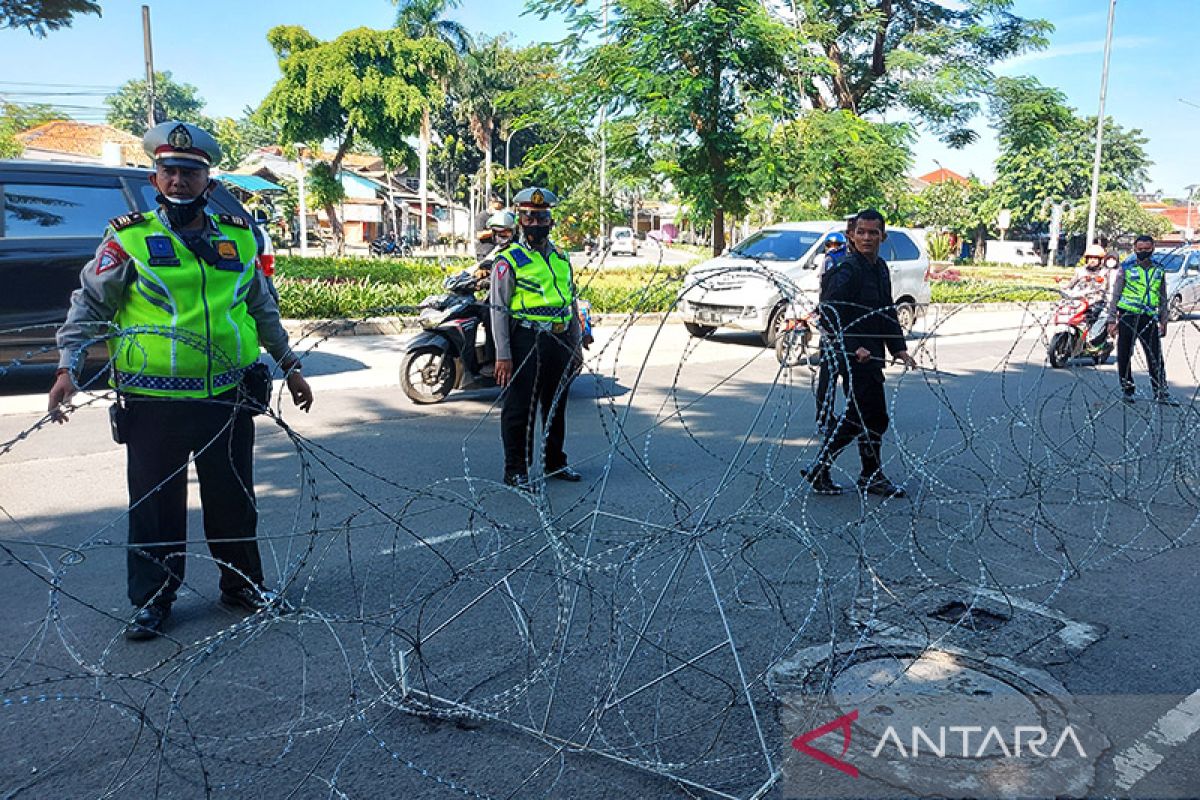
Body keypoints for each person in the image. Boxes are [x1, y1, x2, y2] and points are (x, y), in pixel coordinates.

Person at [46, 121, 315, 641]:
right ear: (154, 178)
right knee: (154, 505)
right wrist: (67, 367)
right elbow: (89, 307)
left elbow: (262, 308)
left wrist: (291, 365)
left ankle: (241, 585)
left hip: (228, 395)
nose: (179, 181)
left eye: (190, 173)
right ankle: (152, 600)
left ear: (208, 183)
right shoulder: (129, 240)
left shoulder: (240, 240)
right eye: (169, 171)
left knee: (233, 498)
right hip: (153, 400)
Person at [803, 209, 917, 497]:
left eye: (873, 232)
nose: (867, 237)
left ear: (882, 236)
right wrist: (855, 346)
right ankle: (864, 474)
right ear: (851, 235)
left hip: (872, 354)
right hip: (850, 354)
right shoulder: (845, 270)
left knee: (864, 415)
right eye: (861, 232)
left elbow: (886, 311)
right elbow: (828, 316)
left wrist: (899, 348)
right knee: (871, 415)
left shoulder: (880, 268)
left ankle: (833, 470)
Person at [489, 187, 588, 490]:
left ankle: (555, 461)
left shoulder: (560, 257)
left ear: (551, 221)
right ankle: (515, 469)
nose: (535, 223)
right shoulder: (509, 260)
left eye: (541, 217)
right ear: (520, 220)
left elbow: (570, 302)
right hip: (526, 340)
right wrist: (503, 355)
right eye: (529, 218)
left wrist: (576, 346)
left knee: (555, 405)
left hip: (559, 341)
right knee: (520, 407)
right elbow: (498, 310)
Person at [1106, 235, 1175, 405]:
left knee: (1155, 356)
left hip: (1148, 317)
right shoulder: (1126, 268)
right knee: (1124, 355)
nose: (1143, 252)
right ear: (1134, 249)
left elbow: (1162, 296)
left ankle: (1161, 391)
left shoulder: (1158, 269)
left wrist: (1163, 319)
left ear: (1153, 249)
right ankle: (1127, 389)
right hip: (1128, 315)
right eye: (1140, 249)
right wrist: (1111, 319)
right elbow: (1116, 294)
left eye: (1147, 249)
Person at [814, 217, 857, 436]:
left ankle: (847, 418)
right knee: (830, 374)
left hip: (850, 328)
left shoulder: (861, 261)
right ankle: (826, 416)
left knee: (846, 376)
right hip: (833, 324)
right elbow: (825, 290)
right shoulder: (835, 260)